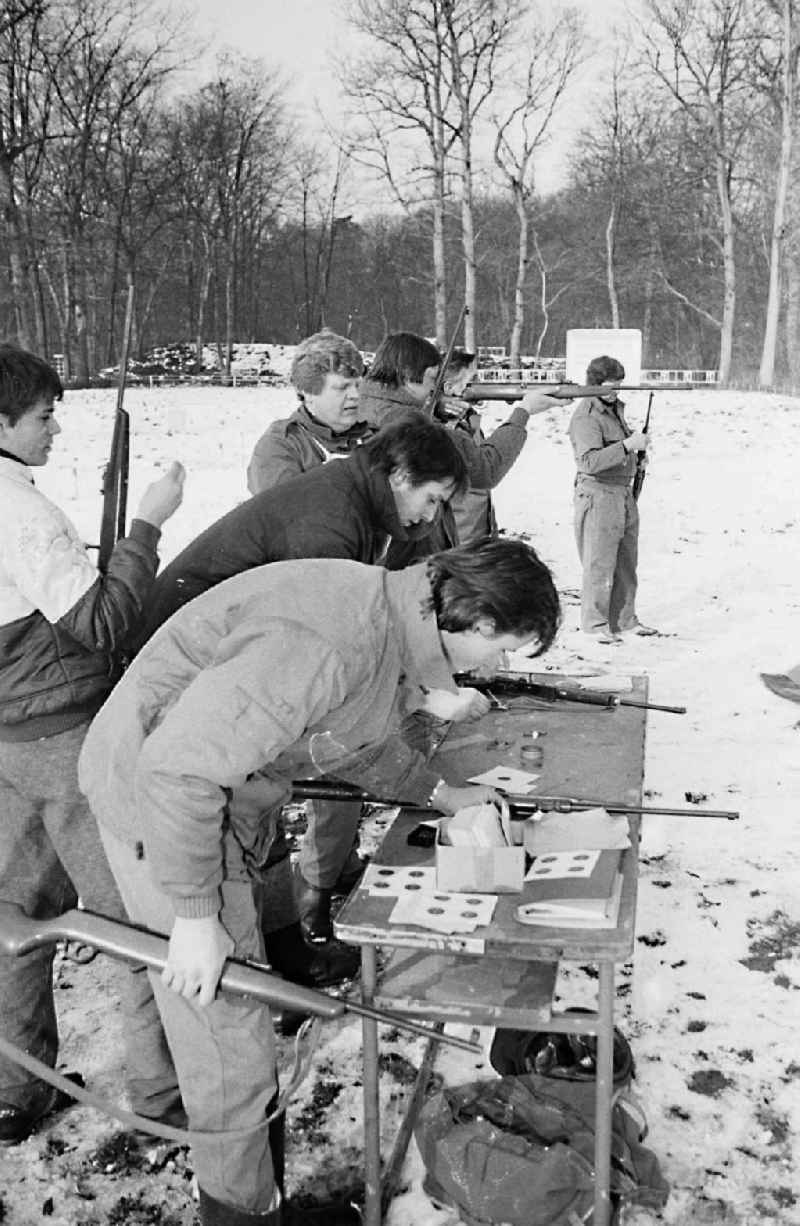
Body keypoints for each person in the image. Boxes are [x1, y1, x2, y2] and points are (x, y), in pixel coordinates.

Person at [78, 537, 561, 1226]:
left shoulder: (391, 616)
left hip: (224, 797)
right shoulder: (331, 638)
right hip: (164, 809)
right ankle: (243, 1216)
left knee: (230, 1032)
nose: (502, 664)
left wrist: (443, 794)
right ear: (478, 624)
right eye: (505, 647)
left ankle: (253, 1198)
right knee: (228, 1045)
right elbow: (177, 770)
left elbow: (352, 741)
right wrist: (193, 916)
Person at [130, 413, 479, 971]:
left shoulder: (353, 498)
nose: (431, 516)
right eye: (433, 499)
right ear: (400, 475)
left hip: (224, 655)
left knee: (260, 799)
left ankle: (283, 947)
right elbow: (322, 647)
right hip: (185, 665)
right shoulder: (330, 522)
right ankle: (256, 954)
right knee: (237, 805)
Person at [0, 343, 185, 1144]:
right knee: (137, 918)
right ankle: (164, 1098)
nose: (54, 433)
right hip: (63, 742)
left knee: (15, 913)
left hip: (3, 738)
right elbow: (104, 625)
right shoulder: (22, 510)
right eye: (44, 418)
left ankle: (16, 1091)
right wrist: (144, 524)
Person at [358, 331, 560, 562]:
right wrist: (523, 412)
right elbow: (486, 469)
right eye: (433, 379)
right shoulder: (410, 422)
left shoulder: (361, 404)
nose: (435, 389)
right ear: (407, 377)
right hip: (411, 558)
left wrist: (437, 409)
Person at [567, 354, 658, 644]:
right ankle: (595, 625)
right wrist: (628, 445)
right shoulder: (586, 416)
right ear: (592, 385)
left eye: (618, 384)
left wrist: (636, 454)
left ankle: (624, 620)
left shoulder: (613, 409)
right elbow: (590, 462)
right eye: (609, 385)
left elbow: (620, 449)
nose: (615, 390)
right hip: (598, 493)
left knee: (626, 561)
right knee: (599, 563)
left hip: (622, 493)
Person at [247, 329, 366, 494]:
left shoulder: (376, 438)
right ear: (309, 393)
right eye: (342, 387)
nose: (355, 395)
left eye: (358, 385)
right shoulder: (281, 447)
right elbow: (288, 514)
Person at [434, 347, 498, 544]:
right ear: (449, 388)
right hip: (456, 538)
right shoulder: (443, 429)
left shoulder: (466, 420)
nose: (478, 386)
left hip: (477, 529)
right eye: (471, 381)